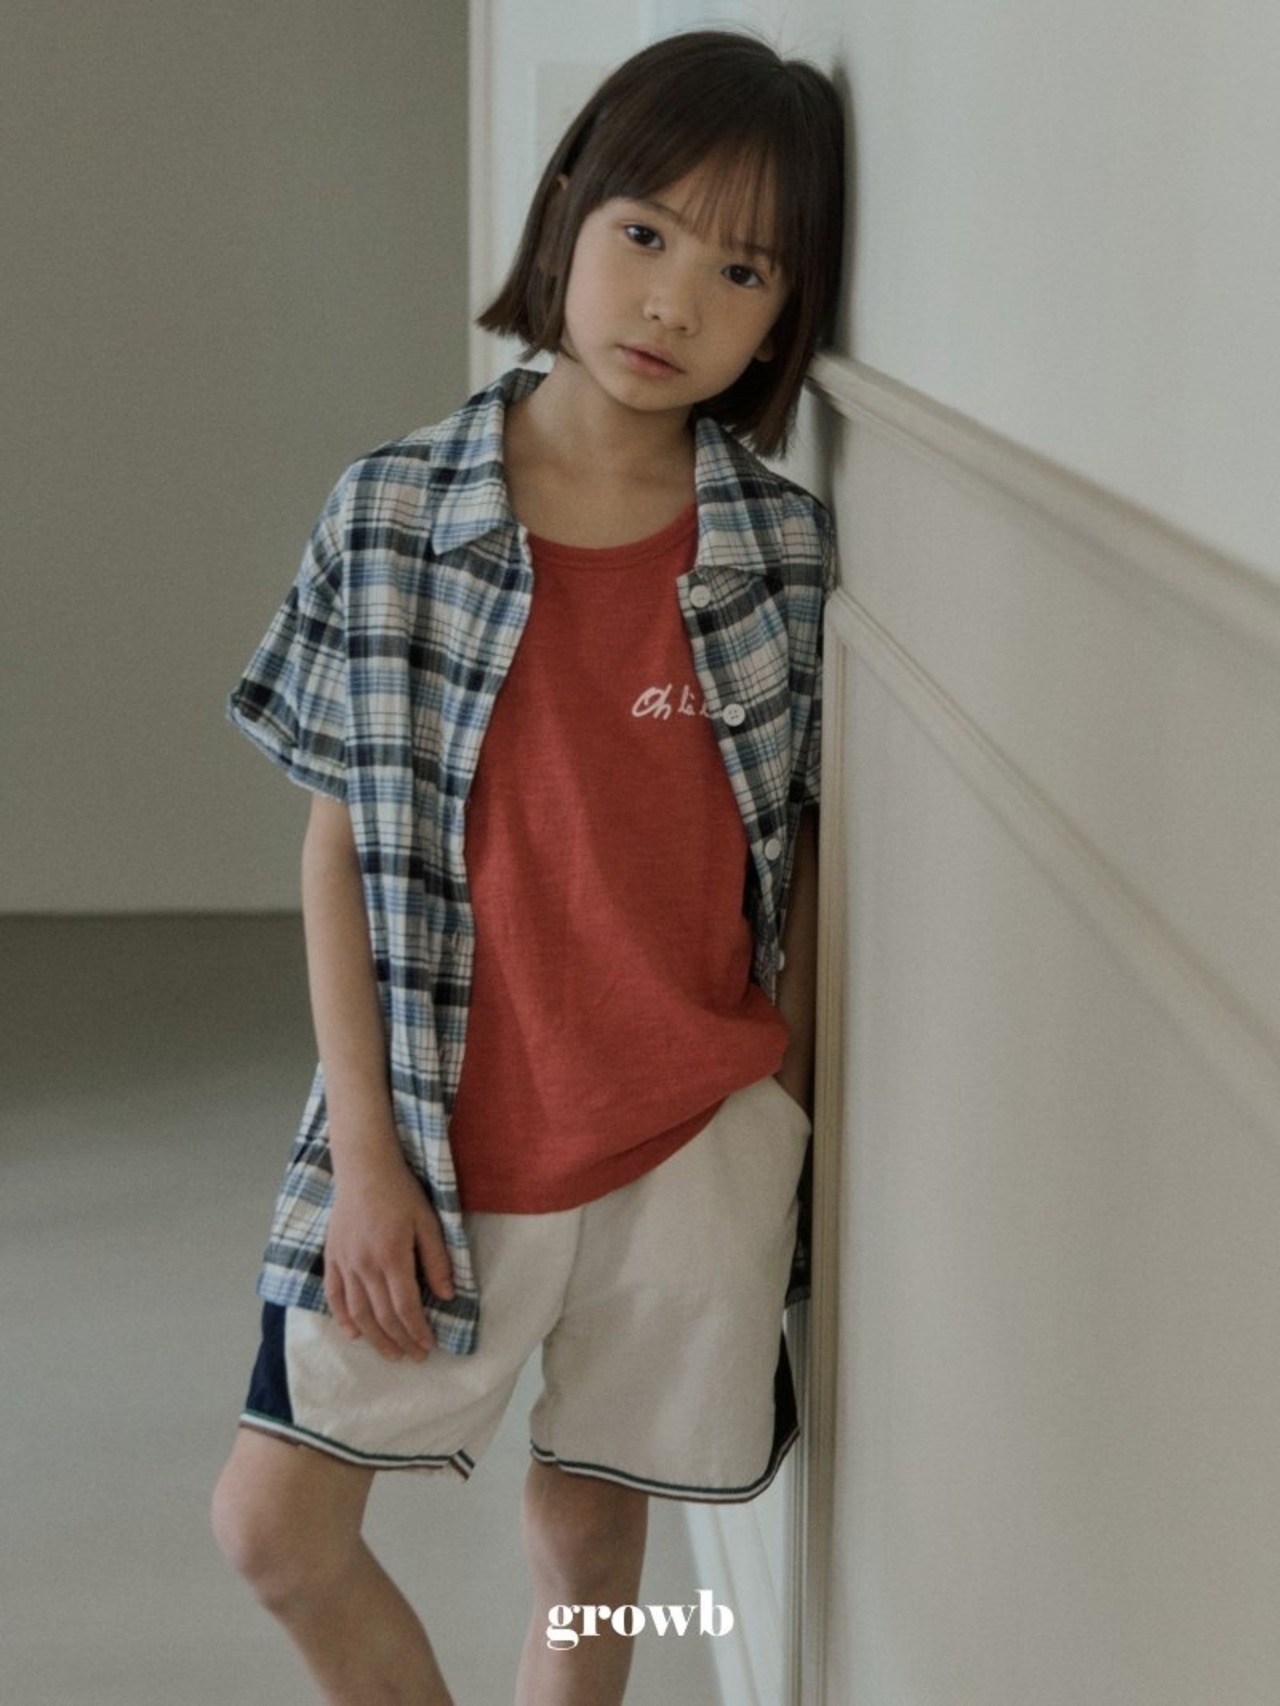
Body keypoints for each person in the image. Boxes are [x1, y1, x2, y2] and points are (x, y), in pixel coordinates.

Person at [211, 28, 844, 1706]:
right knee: (276, 1527)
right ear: (566, 214)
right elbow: (339, 843)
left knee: (591, 1541)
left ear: (786, 314)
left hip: (688, 1144)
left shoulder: (782, 551)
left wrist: (788, 1102)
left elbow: (805, 849)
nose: (673, 300)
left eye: (741, 271)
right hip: (440, 1124)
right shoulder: (392, 514)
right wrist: (367, 1152)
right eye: (644, 232)